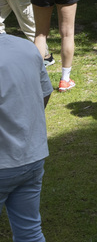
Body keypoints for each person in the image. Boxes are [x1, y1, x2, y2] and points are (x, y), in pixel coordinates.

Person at [0, 32, 52, 242]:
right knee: (29, 232)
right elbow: (45, 92)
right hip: (31, 157)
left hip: (5, 161)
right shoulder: (26, 47)